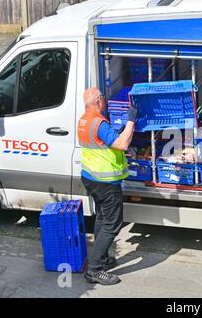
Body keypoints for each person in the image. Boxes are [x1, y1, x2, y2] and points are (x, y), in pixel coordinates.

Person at [78, 87, 137, 285]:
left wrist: (117, 133)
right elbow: (121, 145)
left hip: (91, 177)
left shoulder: (84, 120)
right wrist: (131, 120)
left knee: (102, 219)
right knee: (112, 224)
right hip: (105, 182)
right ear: (98, 101)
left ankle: (100, 259)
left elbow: (103, 142)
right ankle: (94, 270)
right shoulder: (98, 122)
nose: (103, 101)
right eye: (102, 98)